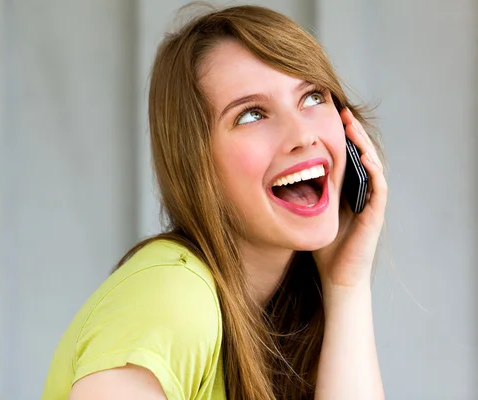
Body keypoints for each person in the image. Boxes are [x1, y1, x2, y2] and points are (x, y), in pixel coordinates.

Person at [42, 3, 387, 400]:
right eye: (251, 115)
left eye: (312, 97)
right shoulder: (172, 298)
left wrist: (346, 286)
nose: (303, 136)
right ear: (196, 163)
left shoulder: (280, 315)